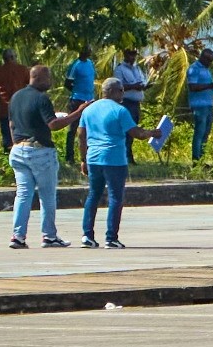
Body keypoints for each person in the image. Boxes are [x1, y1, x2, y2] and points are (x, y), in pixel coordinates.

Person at [7, 65, 89, 248]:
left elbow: (11, 124)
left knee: (23, 195)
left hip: (18, 150)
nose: (50, 81)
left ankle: (18, 236)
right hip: (39, 151)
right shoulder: (41, 98)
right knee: (47, 195)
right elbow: (53, 124)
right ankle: (49, 236)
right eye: (48, 77)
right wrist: (78, 112)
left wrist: (16, 143)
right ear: (38, 77)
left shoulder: (16, 96)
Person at [78, 78, 162, 248]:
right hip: (114, 158)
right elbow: (136, 133)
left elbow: (81, 135)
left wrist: (83, 159)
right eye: (121, 90)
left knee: (93, 195)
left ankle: (87, 236)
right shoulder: (120, 110)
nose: (123, 93)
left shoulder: (89, 110)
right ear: (113, 91)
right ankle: (111, 238)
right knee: (115, 197)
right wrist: (153, 133)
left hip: (93, 158)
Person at [186, 48, 213, 162]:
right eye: (209, 60)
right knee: (199, 133)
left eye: (212, 61)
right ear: (202, 57)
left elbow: (209, 85)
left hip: (208, 104)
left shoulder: (206, 70)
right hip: (198, 105)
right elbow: (192, 87)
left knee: (206, 133)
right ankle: (196, 160)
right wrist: (209, 86)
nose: (210, 63)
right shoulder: (194, 69)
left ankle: (202, 159)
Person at [112, 47, 148, 164]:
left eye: (134, 54)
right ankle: (124, 156)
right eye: (130, 54)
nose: (133, 57)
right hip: (125, 103)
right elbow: (118, 86)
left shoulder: (137, 68)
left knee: (133, 129)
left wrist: (144, 86)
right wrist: (133, 86)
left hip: (136, 103)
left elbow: (142, 81)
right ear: (125, 55)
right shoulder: (120, 69)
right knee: (126, 131)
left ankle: (129, 156)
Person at [0, 48, 30, 150]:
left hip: (4, 108)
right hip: (20, 108)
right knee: (22, 137)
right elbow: (31, 85)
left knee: (7, 138)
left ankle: (8, 154)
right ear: (12, 57)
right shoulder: (22, 70)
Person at [64, 45, 96, 164]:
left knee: (89, 128)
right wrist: (77, 91)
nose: (89, 51)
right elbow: (67, 83)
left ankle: (88, 155)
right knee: (73, 128)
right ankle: (69, 156)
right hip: (77, 99)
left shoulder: (90, 63)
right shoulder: (76, 64)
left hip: (89, 99)